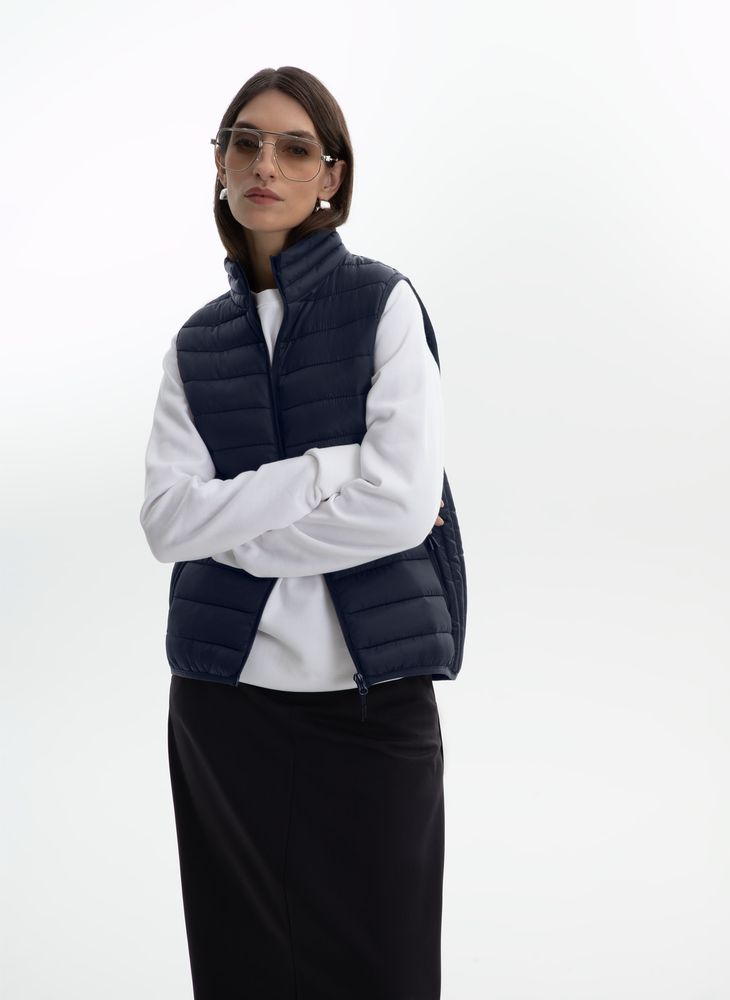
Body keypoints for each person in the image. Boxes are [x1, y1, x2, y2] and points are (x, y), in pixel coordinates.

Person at [139, 65, 467, 1000]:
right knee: (240, 974)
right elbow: (167, 521)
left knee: (385, 973)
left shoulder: (383, 304)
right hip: (223, 711)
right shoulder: (196, 344)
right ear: (218, 163)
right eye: (244, 143)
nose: (265, 165)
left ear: (331, 175)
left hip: (371, 709)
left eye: (294, 148)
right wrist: (327, 473)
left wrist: (233, 530)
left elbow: (402, 505)